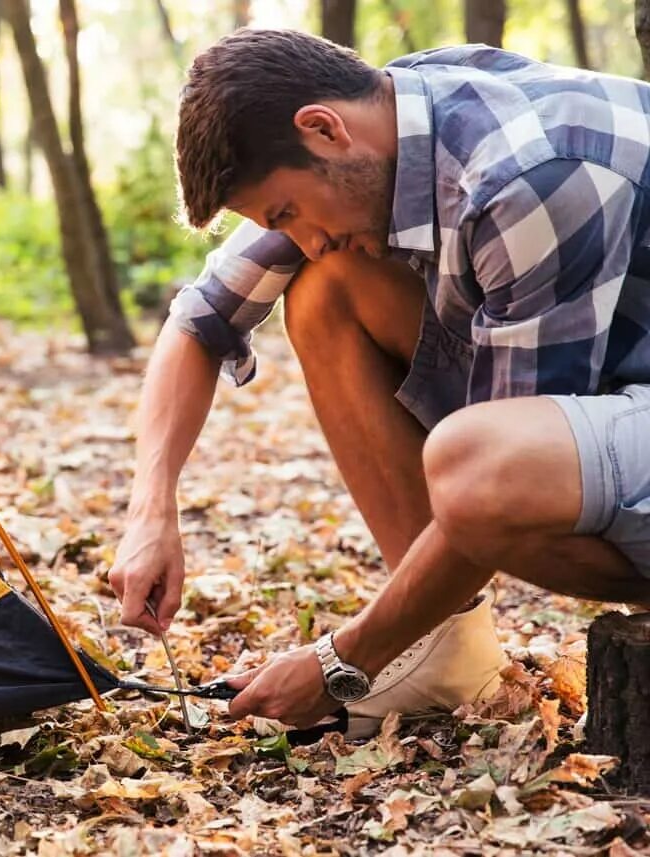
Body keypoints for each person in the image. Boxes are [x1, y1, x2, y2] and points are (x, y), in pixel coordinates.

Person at [108, 28, 650, 732]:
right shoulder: (388, 122)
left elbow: (498, 477)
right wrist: (152, 509)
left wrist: (340, 661)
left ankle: (399, 642)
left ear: (324, 129)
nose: (298, 239)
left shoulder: (532, 174)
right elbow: (199, 320)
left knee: (479, 466)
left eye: (286, 214)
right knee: (325, 288)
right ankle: (442, 647)